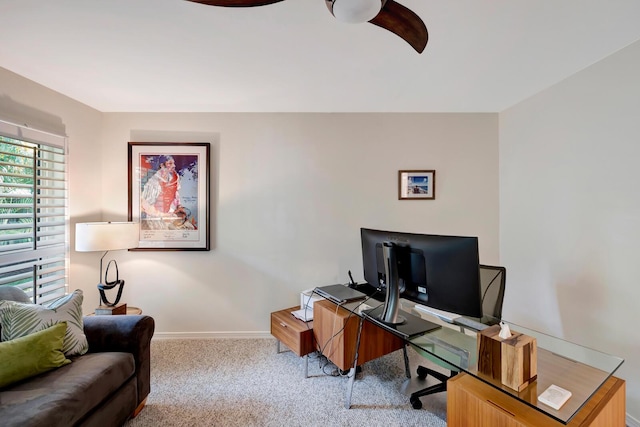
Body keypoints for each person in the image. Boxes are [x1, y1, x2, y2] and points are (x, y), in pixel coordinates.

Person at [140, 155, 191, 228]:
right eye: (170, 163)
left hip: (171, 216)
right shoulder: (153, 182)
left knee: (189, 228)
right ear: (162, 165)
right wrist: (162, 215)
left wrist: (179, 207)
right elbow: (145, 205)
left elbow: (176, 195)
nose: (174, 166)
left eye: (173, 163)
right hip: (156, 218)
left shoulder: (175, 178)